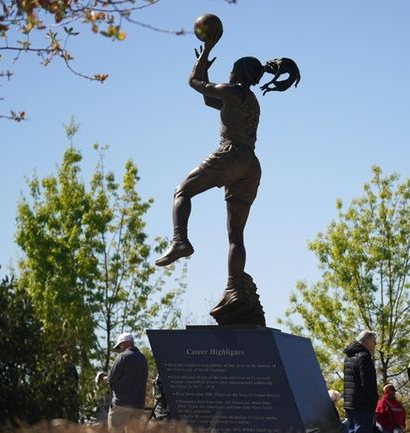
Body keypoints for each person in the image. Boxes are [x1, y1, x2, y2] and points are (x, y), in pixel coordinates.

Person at [154, 27, 299, 324]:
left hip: (230, 155)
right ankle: (234, 287)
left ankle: (180, 240)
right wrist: (205, 71)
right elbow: (209, 100)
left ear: (238, 74)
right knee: (236, 236)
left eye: (232, 68)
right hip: (251, 166)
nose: (230, 72)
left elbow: (195, 83)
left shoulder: (233, 91)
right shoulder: (249, 100)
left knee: (182, 191)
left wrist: (206, 51)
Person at [107, 332, 148, 433]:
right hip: (138, 406)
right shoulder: (143, 359)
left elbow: (110, 379)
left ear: (124, 343)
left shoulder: (122, 357)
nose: (120, 349)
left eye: (120, 346)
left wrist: (103, 376)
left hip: (121, 405)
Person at [343, 330, 379, 433]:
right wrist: (374, 400)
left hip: (350, 403)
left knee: (351, 430)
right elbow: (367, 383)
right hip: (363, 404)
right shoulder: (364, 356)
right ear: (366, 340)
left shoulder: (349, 356)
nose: (375, 344)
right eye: (374, 341)